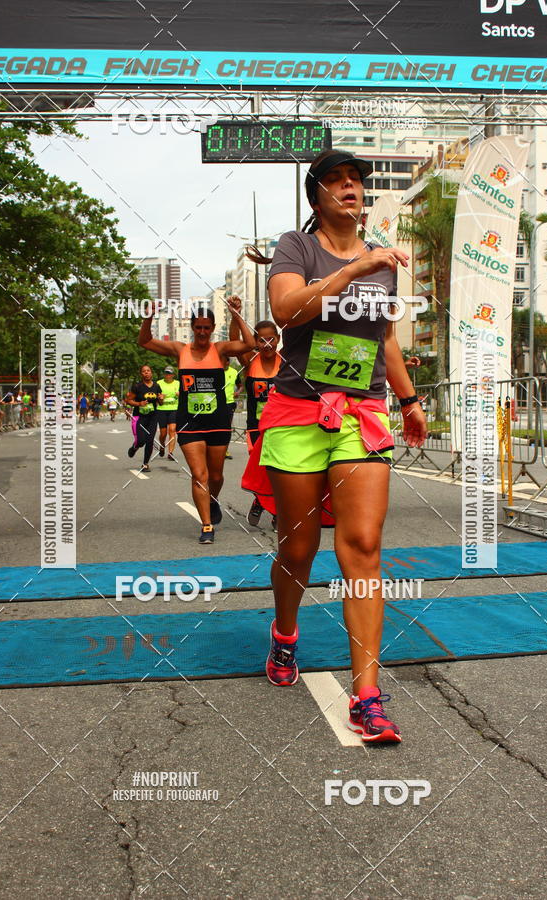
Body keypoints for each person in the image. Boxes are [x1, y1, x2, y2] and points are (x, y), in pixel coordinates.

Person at [243, 149, 427, 744]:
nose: (350, 188)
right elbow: (287, 309)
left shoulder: (385, 263)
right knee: (298, 550)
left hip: (361, 414)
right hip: (298, 412)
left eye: (356, 181)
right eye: (336, 181)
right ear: (316, 194)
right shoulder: (296, 247)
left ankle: (367, 695)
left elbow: (386, 338)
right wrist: (353, 268)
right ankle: (286, 633)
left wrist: (409, 400)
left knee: (364, 546)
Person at [138, 296, 254, 543]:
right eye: (198, 327)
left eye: (206, 327)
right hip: (190, 421)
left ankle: (213, 499)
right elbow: (144, 341)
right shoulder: (181, 350)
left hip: (218, 420)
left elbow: (250, 343)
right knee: (199, 474)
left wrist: (236, 314)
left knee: (216, 476)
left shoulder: (220, 349)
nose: (202, 332)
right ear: (192, 327)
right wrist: (149, 316)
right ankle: (206, 525)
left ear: (212, 329)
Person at [230, 318, 281, 526]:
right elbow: (234, 340)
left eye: (271, 339)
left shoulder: (285, 360)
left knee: (280, 470)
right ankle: (260, 499)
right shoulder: (250, 361)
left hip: (281, 425)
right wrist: (235, 316)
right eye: (262, 340)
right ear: (256, 342)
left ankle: (278, 512)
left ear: (277, 339)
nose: (267, 344)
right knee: (263, 469)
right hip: (256, 426)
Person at [126, 365, 163, 472]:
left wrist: (161, 399)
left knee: (150, 440)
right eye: (144, 371)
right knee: (141, 441)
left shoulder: (156, 386)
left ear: (151, 373)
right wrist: (139, 403)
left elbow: (160, 402)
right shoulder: (138, 386)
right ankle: (135, 447)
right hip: (140, 417)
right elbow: (128, 400)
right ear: (141, 374)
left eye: (148, 371)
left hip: (153, 417)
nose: (146, 373)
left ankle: (145, 464)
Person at [156, 366, 180, 459]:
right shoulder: (159, 383)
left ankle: (170, 453)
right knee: (163, 433)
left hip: (174, 408)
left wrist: (180, 395)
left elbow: (185, 395)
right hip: (162, 409)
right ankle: (162, 446)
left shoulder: (178, 383)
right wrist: (159, 397)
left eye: (169, 373)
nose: (167, 375)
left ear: (173, 375)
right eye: (166, 373)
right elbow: (155, 396)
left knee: (172, 430)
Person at [223, 358, 241, 460]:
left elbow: (240, 385)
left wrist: (238, 392)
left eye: (225, 361)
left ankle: (225, 450)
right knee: (217, 426)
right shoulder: (217, 370)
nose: (223, 364)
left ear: (228, 362)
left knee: (227, 427)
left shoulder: (234, 372)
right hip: (217, 403)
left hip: (229, 403)